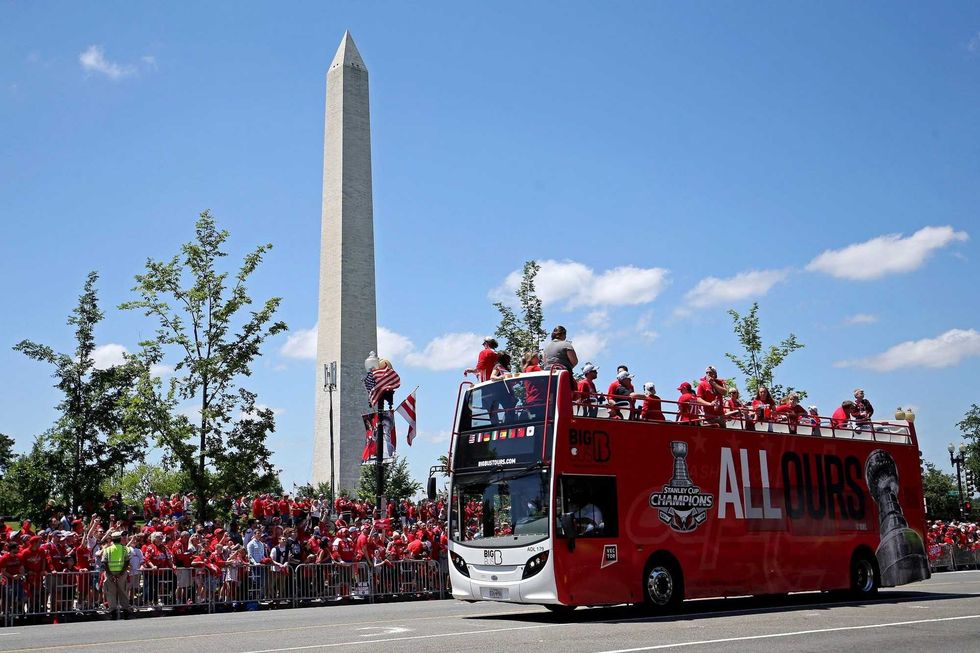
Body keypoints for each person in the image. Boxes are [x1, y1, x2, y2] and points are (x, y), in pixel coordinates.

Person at [101, 531, 131, 619]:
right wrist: (121, 573)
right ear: (120, 538)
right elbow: (127, 562)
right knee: (123, 592)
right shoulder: (125, 549)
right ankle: (126, 612)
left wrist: (111, 574)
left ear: (112, 539)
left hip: (110, 574)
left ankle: (113, 613)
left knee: (111, 593)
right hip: (122, 574)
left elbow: (104, 562)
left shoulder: (107, 550)